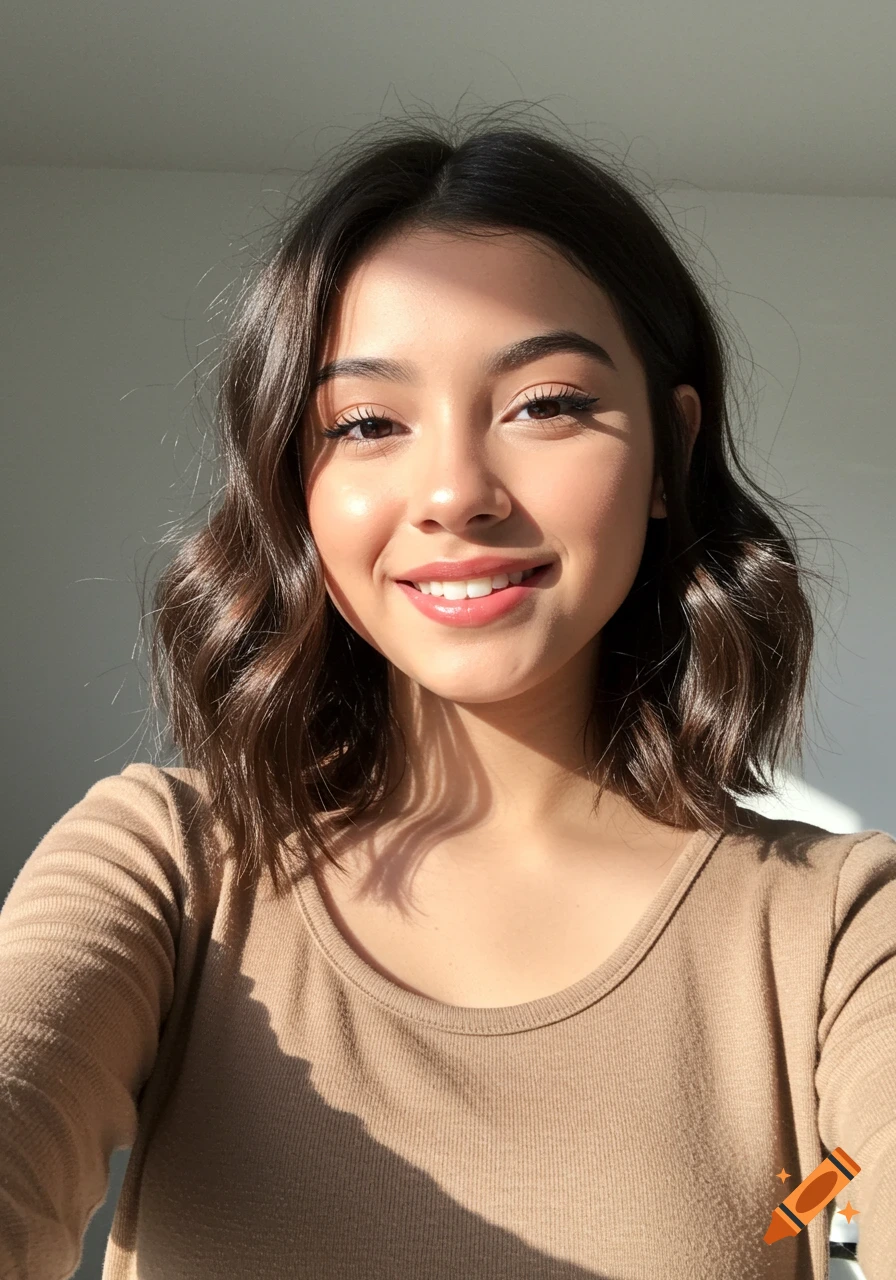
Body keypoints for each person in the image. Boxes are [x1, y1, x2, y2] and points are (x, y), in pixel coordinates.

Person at [1, 102, 893, 1280]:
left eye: (545, 404)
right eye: (367, 422)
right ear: (293, 483)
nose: (456, 492)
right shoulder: (168, 864)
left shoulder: (834, 927)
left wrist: (808, 1218)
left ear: (670, 454)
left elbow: (839, 1196)